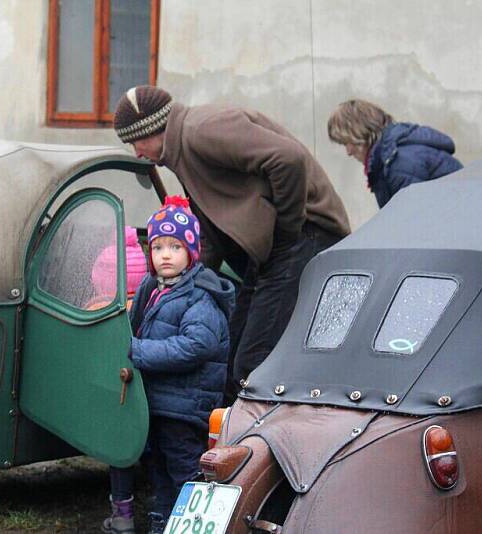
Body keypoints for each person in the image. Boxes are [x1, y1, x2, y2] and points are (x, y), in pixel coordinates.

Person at [113, 86, 351, 404]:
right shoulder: (182, 151)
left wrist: (286, 232)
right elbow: (211, 232)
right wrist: (181, 281)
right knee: (233, 348)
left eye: (135, 141)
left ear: (152, 130)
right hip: (274, 250)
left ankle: (252, 446)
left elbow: (287, 159)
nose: (137, 153)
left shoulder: (202, 130)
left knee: (251, 362)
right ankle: (219, 441)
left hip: (307, 234)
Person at [103, 196, 234, 534]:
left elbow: (196, 346)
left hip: (185, 405)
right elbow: (135, 327)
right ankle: (162, 522)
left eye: (175, 247)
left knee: (184, 468)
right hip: (158, 401)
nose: (164, 254)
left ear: (191, 252)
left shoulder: (200, 295)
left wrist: (138, 352)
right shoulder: (152, 287)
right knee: (157, 467)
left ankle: (193, 524)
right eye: (158, 246)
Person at [327, 99, 463, 208]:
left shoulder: (399, 161)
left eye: (346, 142)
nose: (348, 152)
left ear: (361, 132)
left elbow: (413, 225)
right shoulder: (389, 158)